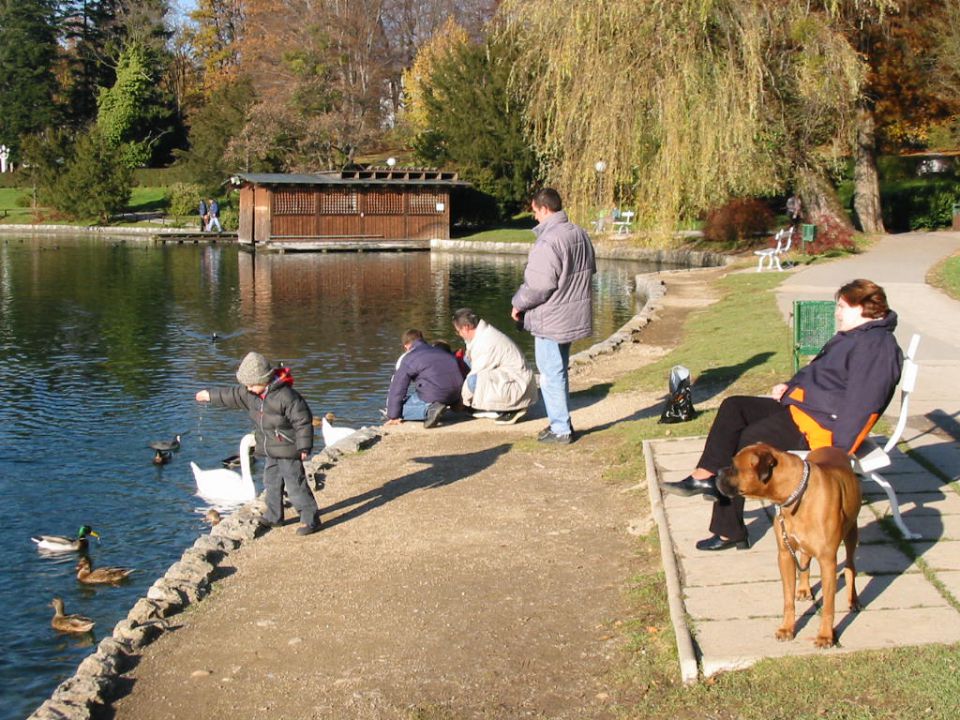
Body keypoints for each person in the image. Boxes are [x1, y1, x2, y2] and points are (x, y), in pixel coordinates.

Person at [661, 279, 903, 551]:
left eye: (842, 307)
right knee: (734, 406)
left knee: (748, 442)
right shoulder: (856, 335)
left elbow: (863, 406)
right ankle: (705, 476)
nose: (837, 312)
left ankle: (729, 530)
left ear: (864, 308)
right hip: (803, 409)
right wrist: (791, 387)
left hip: (818, 427)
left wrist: (836, 453)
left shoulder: (876, 347)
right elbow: (819, 376)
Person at [195, 351, 321, 535]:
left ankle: (311, 519)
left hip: (288, 448)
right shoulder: (251, 394)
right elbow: (230, 395)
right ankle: (274, 516)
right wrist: (209, 395)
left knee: (295, 483)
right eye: (246, 385)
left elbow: (302, 421)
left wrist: (304, 446)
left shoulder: (287, 397)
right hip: (270, 448)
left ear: (264, 380)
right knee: (271, 482)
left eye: (252, 384)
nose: (248, 388)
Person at [511, 187, 596, 444]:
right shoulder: (579, 233)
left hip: (551, 318)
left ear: (545, 209)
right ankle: (561, 422)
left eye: (535, 211)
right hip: (571, 313)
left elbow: (539, 285)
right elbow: (590, 269)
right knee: (559, 370)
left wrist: (517, 304)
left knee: (550, 373)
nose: (534, 217)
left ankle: (560, 428)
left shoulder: (548, 241)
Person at [452, 307, 537, 425]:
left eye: (458, 331)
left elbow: (476, 373)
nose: (459, 334)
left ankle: (511, 408)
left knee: (473, 381)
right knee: (466, 360)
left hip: (518, 385)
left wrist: (462, 403)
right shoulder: (483, 334)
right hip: (513, 376)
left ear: (466, 328)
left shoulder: (485, 343)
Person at [385, 329, 463, 429]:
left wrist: (393, 415)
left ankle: (429, 409)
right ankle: (448, 404)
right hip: (456, 395)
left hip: (437, 394)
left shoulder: (410, 358)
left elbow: (398, 387)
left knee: (399, 409)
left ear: (406, 346)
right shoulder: (440, 351)